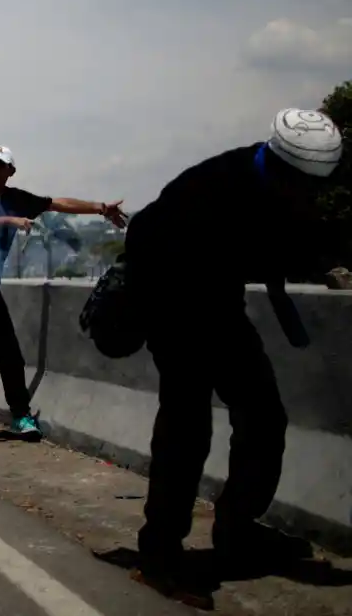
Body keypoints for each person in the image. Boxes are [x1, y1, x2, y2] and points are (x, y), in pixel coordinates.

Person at [124, 110, 341, 602]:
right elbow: (144, 241)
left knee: (265, 417)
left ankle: (237, 528)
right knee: (187, 426)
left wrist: (331, 265)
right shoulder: (208, 189)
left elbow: (304, 234)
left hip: (220, 305)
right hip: (171, 301)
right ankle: (158, 554)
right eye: (304, 184)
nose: (310, 194)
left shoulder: (292, 187)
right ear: (283, 167)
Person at [0, 146, 127, 443]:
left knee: (10, 354)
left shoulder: (17, 199)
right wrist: (9, 221)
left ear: (10, 171)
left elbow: (57, 203)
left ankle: (20, 416)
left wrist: (100, 208)